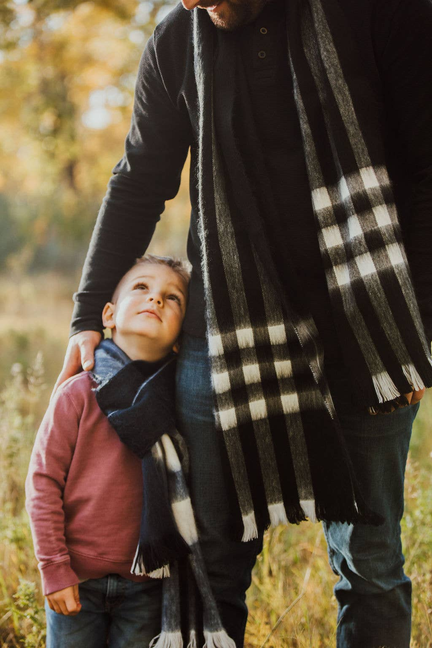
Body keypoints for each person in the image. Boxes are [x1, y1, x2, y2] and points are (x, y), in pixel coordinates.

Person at [54, 0, 432, 646]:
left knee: (370, 564)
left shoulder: (381, 12)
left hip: (366, 326)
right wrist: (90, 313)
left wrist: (417, 328)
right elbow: (140, 177)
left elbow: (426, 169)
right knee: (212, 563)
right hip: (227, 331)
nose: (192, 0)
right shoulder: (178, 37)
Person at [26, 255, 190, 648]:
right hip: (76, 579)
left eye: (173, 298)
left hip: (148, 585)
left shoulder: (183, 403)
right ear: (108, 314)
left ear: (183, 334)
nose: (156, 300)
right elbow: (43, 483)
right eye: (142, 288)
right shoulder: (78, 393)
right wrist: (54, 569)